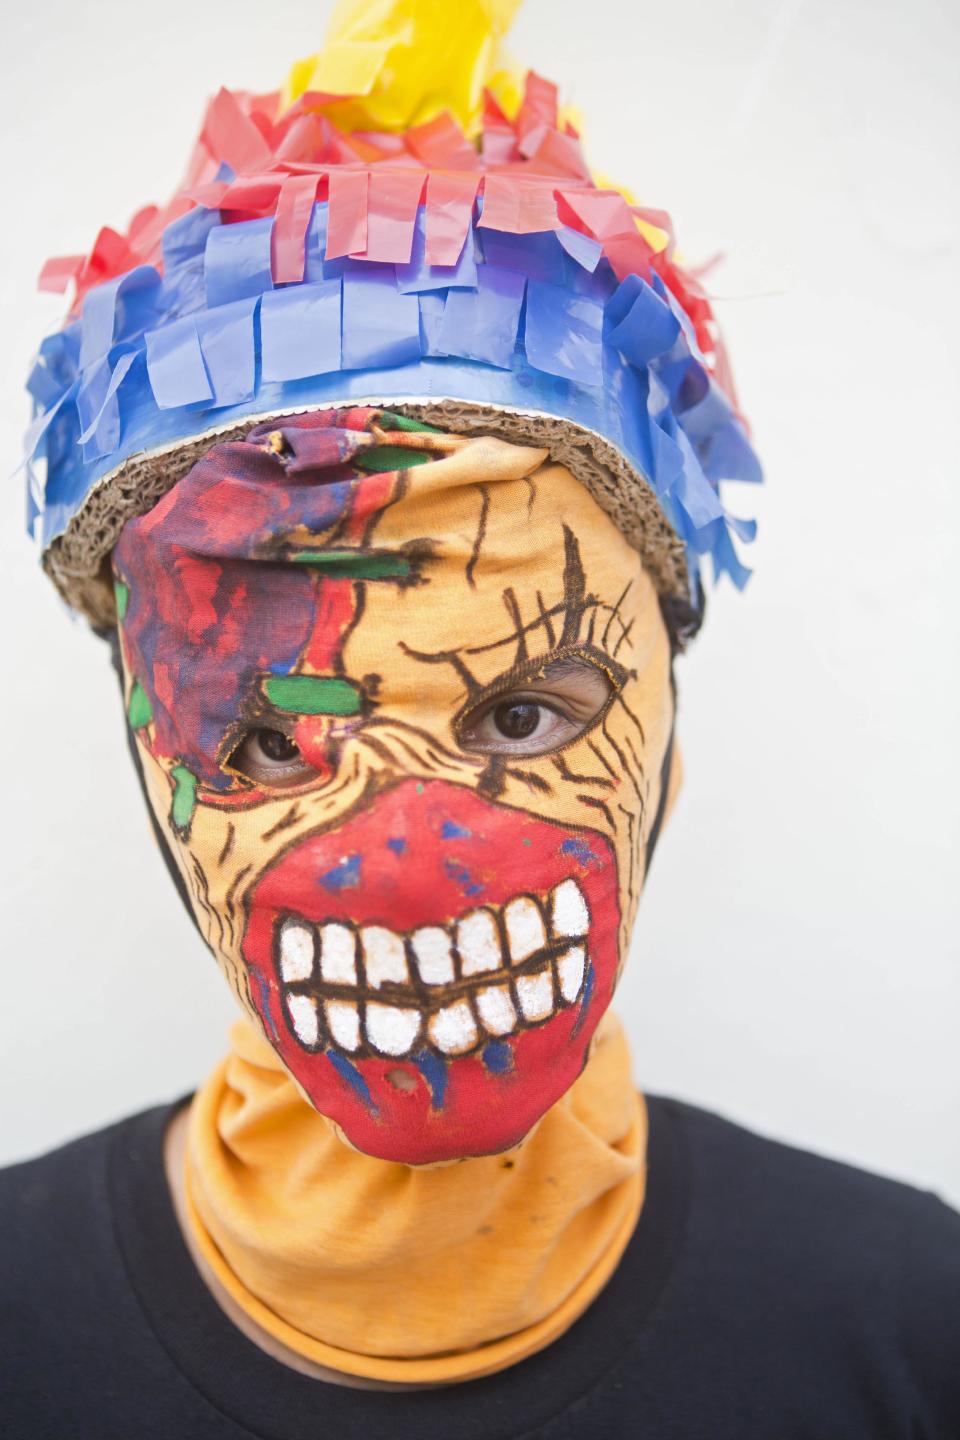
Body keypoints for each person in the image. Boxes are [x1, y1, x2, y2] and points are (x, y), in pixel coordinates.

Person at [3, 2, 958, 1435]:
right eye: (266, 744)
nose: (403, 857)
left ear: (668, 745)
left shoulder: (912, 1320)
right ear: (152, 771)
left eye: (523, 712)